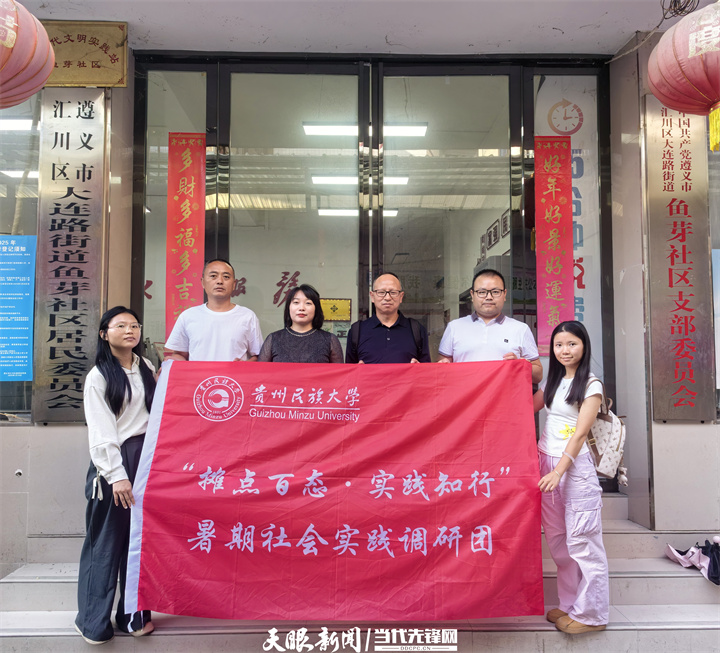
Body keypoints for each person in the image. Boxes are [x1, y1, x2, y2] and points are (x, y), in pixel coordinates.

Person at [75, 306, 156, 644]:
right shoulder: (99, 376)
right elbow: (102, 431)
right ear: (104, 333)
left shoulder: (147, 366)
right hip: (116, 463)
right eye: (120, 325)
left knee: (139, 542)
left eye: (134, 325)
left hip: (146, 460)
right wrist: (116, 475)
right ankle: (92, 621)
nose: (129, 331)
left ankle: (132, 616)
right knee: (106, 543)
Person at [533, 320, 609, 634]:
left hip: (573, 469)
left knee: (583, 541)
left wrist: (558, 471)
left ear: (584, 346)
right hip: (547, 464)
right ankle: (569, 604)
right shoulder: (553, 382)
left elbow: (579, 435)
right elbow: (524, 408)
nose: (565, 350)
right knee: (559, 542)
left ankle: (592, 615)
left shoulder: (591, 384)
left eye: (572, 344)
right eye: (559, 344)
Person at [437, 268, 542, 383]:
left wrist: (520, 366)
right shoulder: (454, 327)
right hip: (465, 394)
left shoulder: (521, 329)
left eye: (495, 292)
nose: (488, 297)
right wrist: (443, 365)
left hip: (504, 395)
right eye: (482, 292)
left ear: (504, 294)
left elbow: (538, 376)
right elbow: (441, 370)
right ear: (472, 295)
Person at [164, 258, 263, 361]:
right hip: (199, 373)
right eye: (213, 276)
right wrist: (171, 362)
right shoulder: (188, 316)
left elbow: (258, 357)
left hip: (234, 373)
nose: (220, 281)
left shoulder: (247, 316)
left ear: (234, 284)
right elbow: (180, 355)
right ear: (203, 282)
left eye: (226, 277)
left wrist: (245, 365)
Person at [345, 272, 430, 364]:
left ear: (401, 297)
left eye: (393, 292)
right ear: (372, 296)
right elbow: (349, 370)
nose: (388, 297)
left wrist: (419, 367)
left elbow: (427, 369)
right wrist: (357, 369)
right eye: (381, 292)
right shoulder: (357, 331)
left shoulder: (416, 330)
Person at [258, 284, 343, 363]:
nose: (301, 308)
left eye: (308, 303)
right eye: (296, 302)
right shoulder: (273, 339)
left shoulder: (329, 340)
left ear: (316, 309)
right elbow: (260, 371)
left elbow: (340, 372)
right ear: (288, 307)